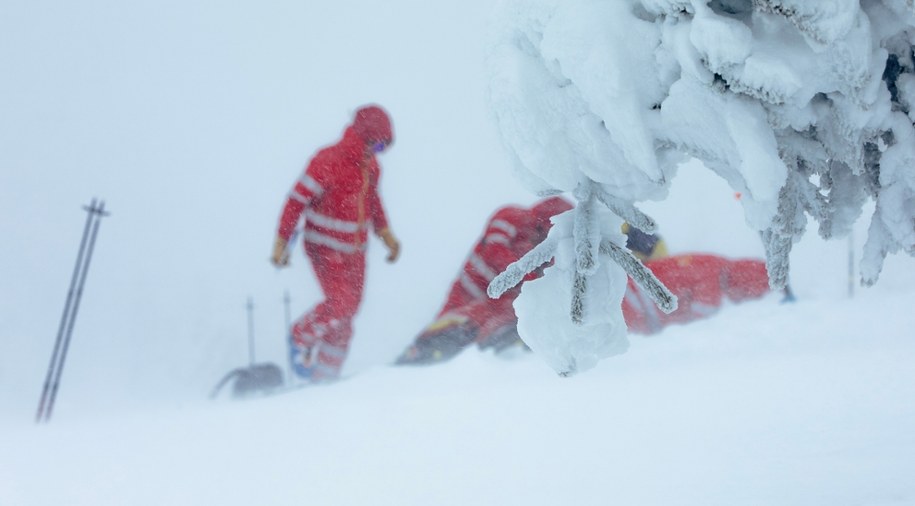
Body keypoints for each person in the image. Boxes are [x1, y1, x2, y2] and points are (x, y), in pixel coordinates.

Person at [271, 105, 401, 382]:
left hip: (356, 251)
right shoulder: (328, 160)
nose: (378, 153)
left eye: (383, 148)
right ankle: (299, 336)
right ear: (365, 137)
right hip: (324, 247)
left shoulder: (371, 167)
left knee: (348, 314)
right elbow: (297, 200)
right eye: (377, 145)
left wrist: (385, 234)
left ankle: (325, 376)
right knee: (340, 305)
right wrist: (282, 240)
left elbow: (373, 203)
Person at [396, 196, 573, 365]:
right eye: (548, 233)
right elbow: (495, 250)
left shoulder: (548, 250)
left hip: (502, 301)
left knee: (502, 322)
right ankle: (418, 353)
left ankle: (497, 349)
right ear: (545, 222)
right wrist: (527, 277)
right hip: (469, 290)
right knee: (455, 323)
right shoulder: (511, 216)